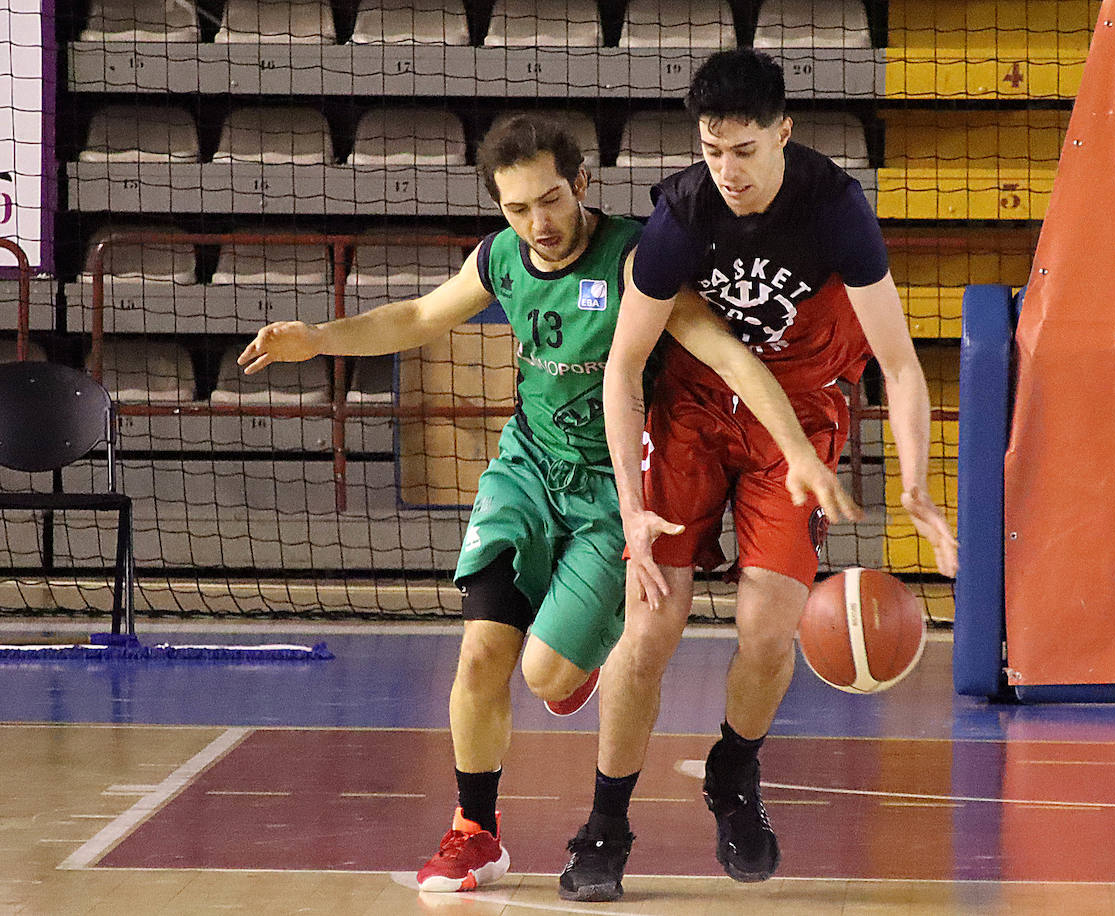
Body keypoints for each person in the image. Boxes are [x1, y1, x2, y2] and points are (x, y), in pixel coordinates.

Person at [236, 114, 857, 894]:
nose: (540, 223)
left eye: (552, 200)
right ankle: (474, 833)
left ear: (583, 186)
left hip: (615, 489)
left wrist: (799, 450)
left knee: (545, 674)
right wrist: (318, 338)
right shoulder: (501, 258)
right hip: (527, 469)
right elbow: (422, 316)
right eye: (518, 208)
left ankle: (576, 656)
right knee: (480, 651)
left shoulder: (639, 255)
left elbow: (726, 354)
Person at [558, 50, 960, 902]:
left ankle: (733, 772)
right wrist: (632, 513)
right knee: (651, 627)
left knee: (770, 627)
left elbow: (901, 360)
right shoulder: (680, 217)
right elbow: (625, 368)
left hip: (801, 419)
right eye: (712, 150)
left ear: (784, 132)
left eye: (744, 150)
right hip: (695, 416)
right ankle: (605, 823)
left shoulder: (834, 209)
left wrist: (917, 485)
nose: (728, 171)